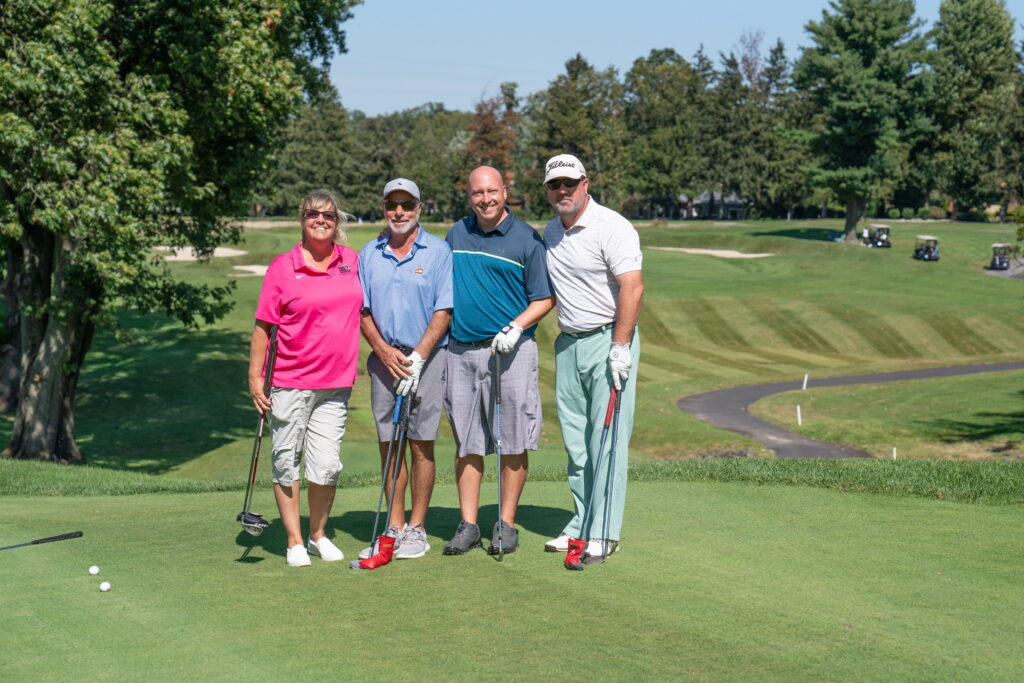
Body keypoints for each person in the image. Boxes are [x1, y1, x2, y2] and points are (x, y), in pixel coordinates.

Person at [442, 166, 555, 555]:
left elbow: (543, 297)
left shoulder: (527, 239)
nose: (485, 199)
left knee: (513, 439)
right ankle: (469, 524)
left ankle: (505, 525)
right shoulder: (457, 233)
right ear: (469, 195)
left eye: (492, 191)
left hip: (512, 352)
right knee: (467, 442)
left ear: (505, 192)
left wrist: (516, 327)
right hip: (461, 350)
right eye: (477, 193)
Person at [248, 190, 362, 567]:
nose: (321, 220)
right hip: (289, 381)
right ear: (302, 218)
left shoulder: (352, 261)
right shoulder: (283, 266)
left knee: (326, 465)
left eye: (328, 215)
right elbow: (264, 327)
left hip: (335, 385)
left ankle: (318, 534)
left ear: (337, 221)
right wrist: (255, 378)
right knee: (286, 461)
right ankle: (294, 540)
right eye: (313, 214)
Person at [540, 154, 643, 560]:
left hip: (608, 342)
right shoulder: (550, 232)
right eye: (554, 185)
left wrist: (620, 347)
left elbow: (632, 288)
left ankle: (604, 531)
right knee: (576, 443)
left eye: (569, 183)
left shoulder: (612, 226)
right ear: (547, 190)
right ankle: (581, 523)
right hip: (568, 343)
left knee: (608, 439)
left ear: (585, 183)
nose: (562, 191)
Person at [357, 178, 453, 562]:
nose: (399, 212)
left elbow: (443, 311)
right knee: (389, 445)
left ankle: (417, 527)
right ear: (383, 208)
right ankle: (394, 524)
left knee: (421, 442)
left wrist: (417, 357)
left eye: (406, 205)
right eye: (392, 205)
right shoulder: (369, 253)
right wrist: (382, 351)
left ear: (419, 208)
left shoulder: (439, 251)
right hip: (384, 362)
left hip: (426, 360)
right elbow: (362, 311)